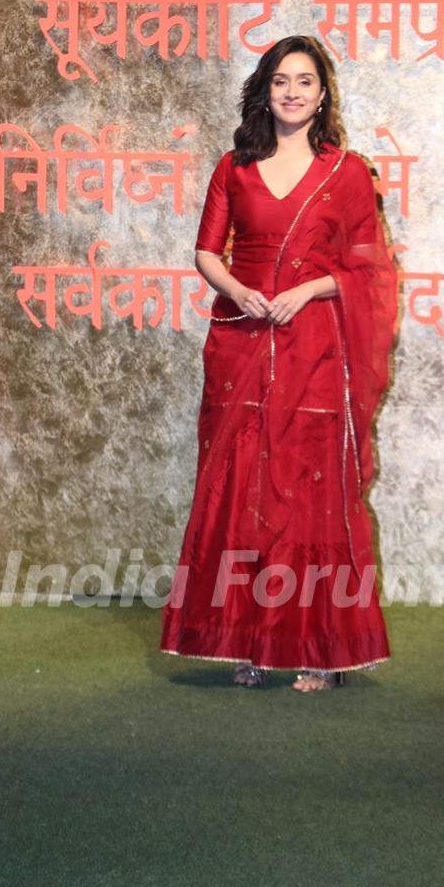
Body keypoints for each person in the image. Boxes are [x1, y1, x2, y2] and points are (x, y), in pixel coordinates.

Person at [159, 35, 398, 692]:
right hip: (242, 340)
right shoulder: (234, 167)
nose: (292, 92)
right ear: (264, 91)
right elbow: (206, 252)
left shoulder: (345, 172)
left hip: (315, 344)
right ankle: (251, 639)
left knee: (309, 490)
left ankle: (319, 647)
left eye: (305, 82)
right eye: (280, 81)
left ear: (323, 96)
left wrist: (310, 288)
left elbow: (368, 265)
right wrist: (235, 289)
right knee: (248, 488)